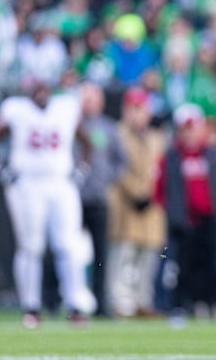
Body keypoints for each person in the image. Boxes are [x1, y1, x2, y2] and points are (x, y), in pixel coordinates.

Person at [0, 77, 95, 328]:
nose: (40, 93)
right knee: (31, 247)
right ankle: (31, 306)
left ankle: (76, 305)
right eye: (36, 88)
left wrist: (82, 171)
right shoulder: (15, 109)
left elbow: (87, 141)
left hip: (60, 182)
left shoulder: (66, 107)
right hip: (28, 184)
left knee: (68, 244)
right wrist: (3, 168)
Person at [155, 103, 216, 329]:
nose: (189, 133)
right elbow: (161, 188)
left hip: (211, 220)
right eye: (185, 129)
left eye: (192, 128)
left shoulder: (213, 154)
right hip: (184, 223)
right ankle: (179, 308)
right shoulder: (172, 156)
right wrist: (173, 214)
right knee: (182, 267)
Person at [106, 88, 166, 318]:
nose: (138, 115)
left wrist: (151, 193)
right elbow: (116, 168)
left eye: (142, 109)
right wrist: (137, 191)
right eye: (134, 109)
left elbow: (160, 170)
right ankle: (119, 303)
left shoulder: (156, 137)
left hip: (152, 207)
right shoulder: (117, 134)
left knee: (148, 258)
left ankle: (143, 301)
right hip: (126, 205)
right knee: (123, 255)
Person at [78, 81, 127, 317]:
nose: (88, 102)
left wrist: (107, 178)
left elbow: (121, 161)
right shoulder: (71, 124)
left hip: (98, 198)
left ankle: (100, 303)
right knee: (67, 252)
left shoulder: (108, 127)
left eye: (92, 97)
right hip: (73, 198)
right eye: (85, 97)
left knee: (100, 255)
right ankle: (61, 300)